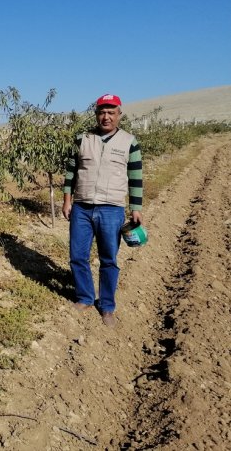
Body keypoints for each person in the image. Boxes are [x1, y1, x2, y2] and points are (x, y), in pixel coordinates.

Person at [61, 93, 143, 327]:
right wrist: (67, 201)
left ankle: (107, 306)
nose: (106, 117)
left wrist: (135, 207)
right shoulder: (82, 139)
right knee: (78, 256)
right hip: (82, 207)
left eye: (111, 112)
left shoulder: (129, 142)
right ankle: (85, 297)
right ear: (96, 114)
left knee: (109, 259)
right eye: (102, 112)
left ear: (119, 114)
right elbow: (70, 173)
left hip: (112, 210)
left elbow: (135, 178)